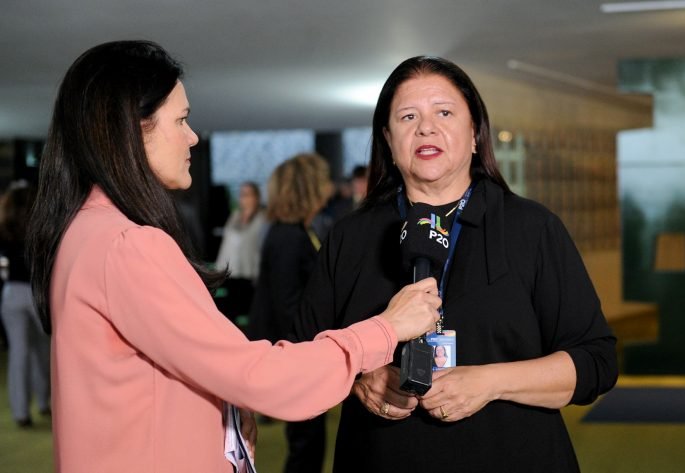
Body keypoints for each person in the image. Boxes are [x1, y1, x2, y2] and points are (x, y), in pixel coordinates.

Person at [25, 40, 441, 473]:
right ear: (131, 130)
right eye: (181, 120)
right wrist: (385, 329)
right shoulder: (126, 245)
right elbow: (261, 379)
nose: (193, 136)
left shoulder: (85, 231)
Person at [293, 56, 618, 472]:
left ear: (475, 133)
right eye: (408, 116)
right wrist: (358, 380)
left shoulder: (531, 228)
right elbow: (301, 355)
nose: (426, 127)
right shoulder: (350, 237)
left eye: (444, 112)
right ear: (389, 141)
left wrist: (490, 383)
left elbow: (596, 362)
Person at [249, 152, 332, 473]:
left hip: (297, 351)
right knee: (305, 445)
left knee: (308, 443)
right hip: (296, 354)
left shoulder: (293, 232)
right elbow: (287, 305)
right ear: (309, 187)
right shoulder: (289, 237)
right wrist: (311, 358)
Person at [0, 182, 51, 428]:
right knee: (43, 351)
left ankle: (21, 412)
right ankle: (44, 402)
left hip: (11, 292)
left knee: (18, 353)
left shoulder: (4, 227)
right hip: (36, 291)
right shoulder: (40, 227)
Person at [215, 181, 268, 324]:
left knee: (250, 313)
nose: (243, 198)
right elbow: (227, 243)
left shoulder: (262, 219)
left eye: (247, 194)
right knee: (230, 312)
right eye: (241, 194)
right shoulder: (235, 216)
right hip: (233, 272)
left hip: (251, 273)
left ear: (256, 197)